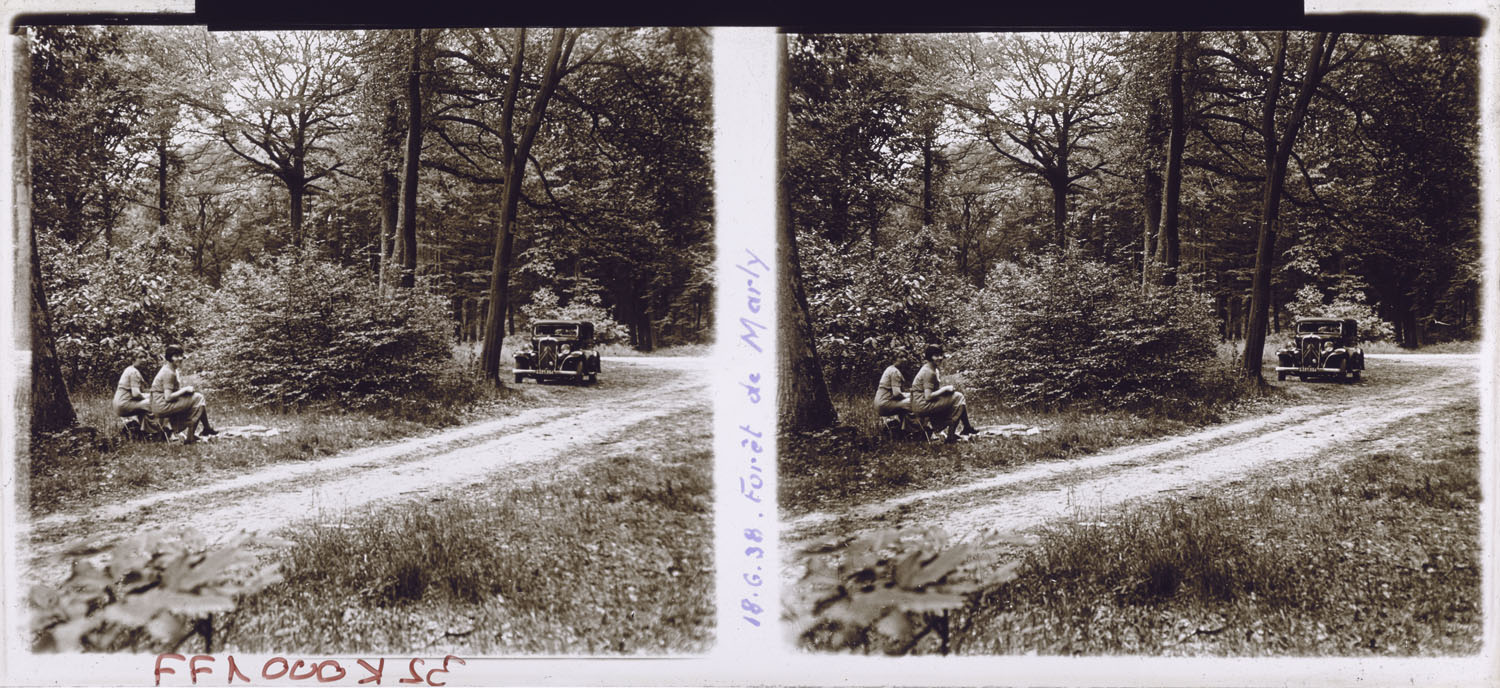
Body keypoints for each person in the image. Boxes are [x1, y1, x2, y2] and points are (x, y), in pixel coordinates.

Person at [911, 343, 979, 443]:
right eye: (936, 355)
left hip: (920, 402)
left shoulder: (930, 368)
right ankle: (952, 435)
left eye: (940, 355)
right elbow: (928, 396)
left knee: (955, 397)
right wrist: (945, 389)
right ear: (930, 357)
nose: (939, 358)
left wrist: (945, 392)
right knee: (959, 397)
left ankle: (965, 428)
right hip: (921, 404)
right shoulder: (929, 372)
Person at [151, 344, 217, 443]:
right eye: (176, 356)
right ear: (169, 357)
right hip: (161, 405)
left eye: (181, 355)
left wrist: (185, 393)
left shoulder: (171, 369)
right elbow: (168, 397)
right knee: (199, 398)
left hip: (159, 402)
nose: (180, 358)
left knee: (196, 398)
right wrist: (185, 390)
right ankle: (192, 437)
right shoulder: (169, 373)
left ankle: (205, 429)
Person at [113, 350, 154, 420]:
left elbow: (140, 392)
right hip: (124, 404)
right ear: (133, 359)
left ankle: (143, 427)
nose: (144, 360)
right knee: (155, 404)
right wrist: (148, 398)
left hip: (119, 404)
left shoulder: (129, 369)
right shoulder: (134, 372)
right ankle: (155, 429)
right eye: (140, 357)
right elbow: (136, 394)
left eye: (145, 357)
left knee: (149, 401)